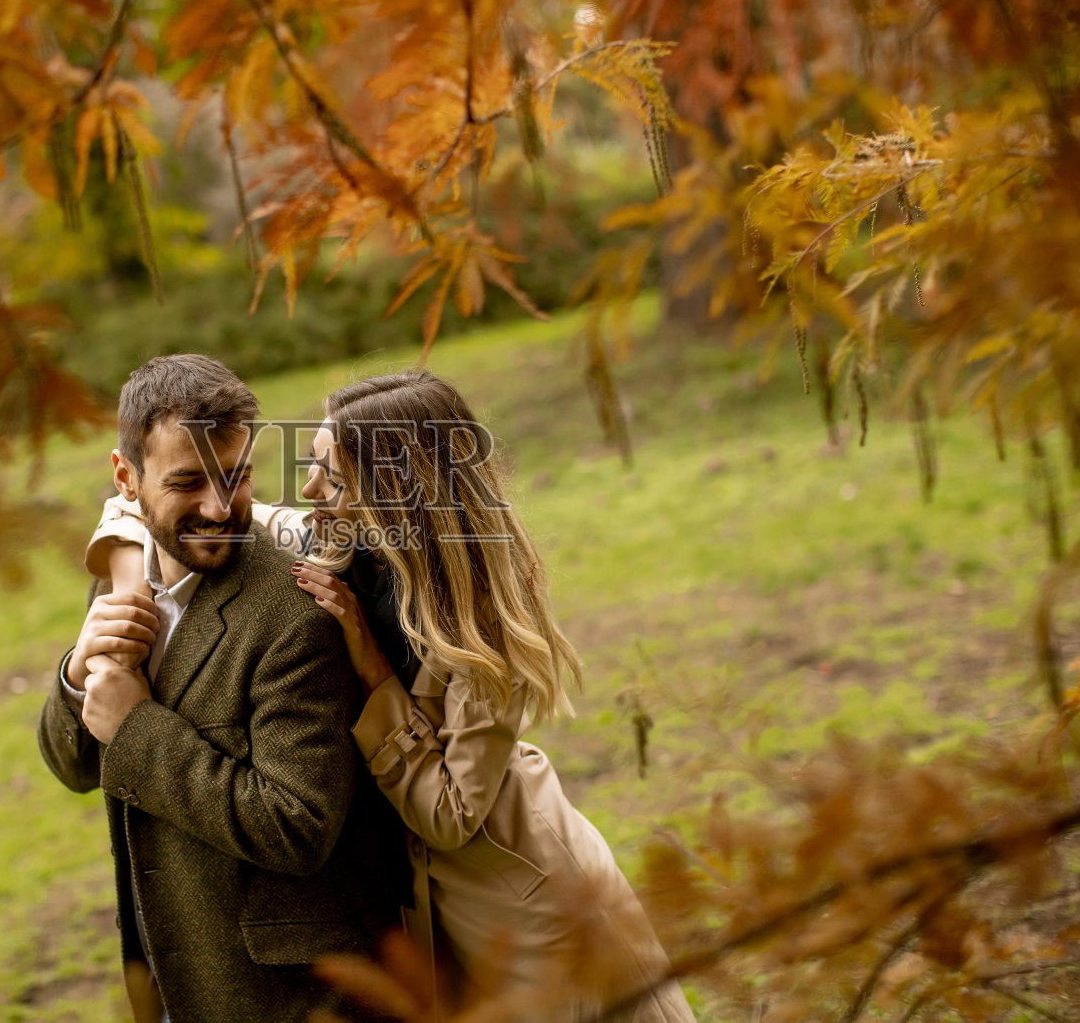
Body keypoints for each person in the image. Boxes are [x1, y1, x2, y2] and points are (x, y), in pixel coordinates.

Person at [85, 368, 696, 1022]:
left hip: (522, 902)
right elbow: (148, 501)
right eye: (313, 465)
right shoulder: (346, 542)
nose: (311, 489)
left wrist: (375, 672)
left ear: (397, 494)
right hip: (425, 906)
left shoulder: (479, 620)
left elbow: (452, 815)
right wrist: (128, 588)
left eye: (334, 478)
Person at [36, 354, 404, 1023]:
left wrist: (137, 728)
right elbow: (74, 763)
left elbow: (299, 825)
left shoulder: (294, 613)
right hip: (173, 980)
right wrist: (76, 670)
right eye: (187, 482)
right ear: (126, 477)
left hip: (290, 1000)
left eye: (235, 477)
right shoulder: (122, 577)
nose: (218, 505)